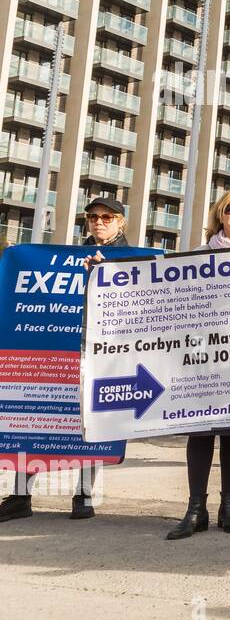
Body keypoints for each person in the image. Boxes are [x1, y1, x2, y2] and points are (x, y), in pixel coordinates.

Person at [0, 197, 131, 523]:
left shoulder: (130, 259)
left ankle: (84, 496)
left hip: (102, 352)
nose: (98, 222)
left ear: (119, 222)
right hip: (58, 349)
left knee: (91, 423)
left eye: (106, 217)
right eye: (92, 217)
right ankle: (20, 496)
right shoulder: (71, 256)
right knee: (34, 418)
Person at [167, 187, 230, 540]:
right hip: (201, 355)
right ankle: (195, 509)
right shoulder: (199, 254)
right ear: (220, 214)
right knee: (199, 430)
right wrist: (106, 273)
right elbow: (159, 288)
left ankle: (229, 505)